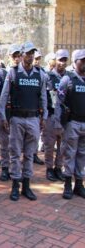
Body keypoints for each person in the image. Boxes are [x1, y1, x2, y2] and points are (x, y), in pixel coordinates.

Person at [0, 41, 47, 201]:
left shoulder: (40, 74)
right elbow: (4, 96)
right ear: (22, 55)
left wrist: (44, 116)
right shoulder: (12, 73)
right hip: (17, 119)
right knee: (14, 153)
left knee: (29, 154)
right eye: (27, 53)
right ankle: (15, 186)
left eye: (32, 53)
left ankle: (26, 186)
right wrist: (3, 116)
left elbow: (43, 97)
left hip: (33, 118)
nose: (30, 56)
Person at [55, 49, 85, 199]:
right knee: (69, 154)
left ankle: (79, 184)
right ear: (75, 62)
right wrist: (59, 125)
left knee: (82, 155)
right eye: (82, 61)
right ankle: (67, 183)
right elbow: (59, 103)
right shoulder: (68, 80)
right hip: (71, 123)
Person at [0, 44, 22, 181]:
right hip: (5, 112)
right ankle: (5, 168)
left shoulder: (22, 74)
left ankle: (15, 169)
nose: (17, 59)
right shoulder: (2, 73)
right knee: (4, 143)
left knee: (16, 144)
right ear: (9, 57)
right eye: (14, 56)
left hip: (18, 114)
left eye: (19, 56)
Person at [44, 49, 69, 182]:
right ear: (55, 60)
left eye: (65, 60)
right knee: (49, 143)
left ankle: (58, 168)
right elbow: (46, 96)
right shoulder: (48, 76)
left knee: (62, 145)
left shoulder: (70, 76)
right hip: (51, 115)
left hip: (65, 117)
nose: (62, 63)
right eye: (60, 60)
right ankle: (49, 168)